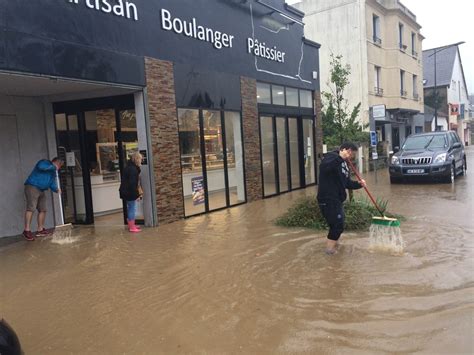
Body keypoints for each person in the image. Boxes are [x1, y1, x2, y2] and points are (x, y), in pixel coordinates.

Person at [317, 142, 366, 255]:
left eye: (352, 154)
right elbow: (324, 168)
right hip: (328, 198)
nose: (351, 156)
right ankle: (329, 252)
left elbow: (346, 183)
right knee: (337, 225)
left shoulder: (344, 164)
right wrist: (340, 158)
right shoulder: (331, 157)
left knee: (337, 225)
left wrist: (359, 184)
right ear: (344, 149)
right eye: (350, 153)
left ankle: (334, 246)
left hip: (337, 200)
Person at [23, 157, 64, 241]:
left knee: (43, 209)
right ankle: (26, 230)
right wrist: (53, 166)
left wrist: (56, 189)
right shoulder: (44, 162)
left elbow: (52, 182)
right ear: (57, 163)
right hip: (32, 186)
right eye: (60, 165)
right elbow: (41, 167)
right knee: (31, 208)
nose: (59, 168)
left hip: (42, 189)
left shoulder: (53, 172)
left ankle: (40, 230)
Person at [119, 152, 143, 233]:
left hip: (126, 191)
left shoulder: (129, 167)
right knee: (132, 208)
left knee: (130, 208)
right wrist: (136, 194)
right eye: (140, 159)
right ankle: (132, 227)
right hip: (129, 192)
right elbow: (132, 183)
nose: (141, 161)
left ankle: (131, 225)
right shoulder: (133, 169)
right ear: (136, 159)